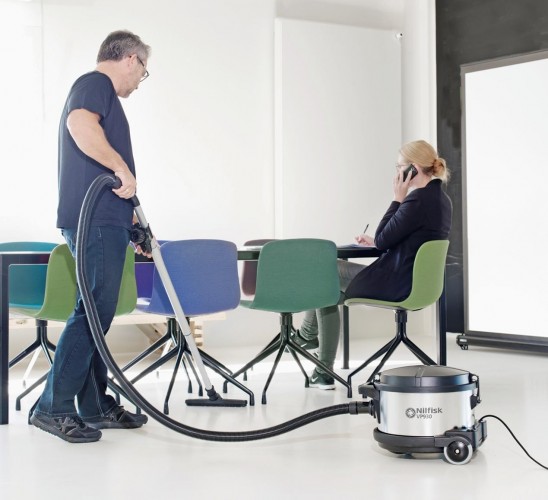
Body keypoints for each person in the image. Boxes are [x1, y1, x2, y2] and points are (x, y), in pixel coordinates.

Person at [30, 30, 151, 443]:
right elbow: (79, 124)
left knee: (99, 311)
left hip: (106, 219)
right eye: (143, 72)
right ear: (131, 59)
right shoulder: (95, 84)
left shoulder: (102, 94)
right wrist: (121, 167)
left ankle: (95, 404)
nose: (140, 82)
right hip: (93, 219)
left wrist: (131, 224)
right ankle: (53, 408)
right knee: (94, 311)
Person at [294, 140, 453, 389]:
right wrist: (377, 242)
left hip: (396, 282)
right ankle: (321, 370)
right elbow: (397, 240)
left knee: (322, 270)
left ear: (412, 168)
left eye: (399, 167)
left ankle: (307, 338)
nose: (397, 172)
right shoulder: (441, 199)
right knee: (327, 291)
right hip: (415, 283)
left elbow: (383, 238)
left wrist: (397, 198)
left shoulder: (416, 200)